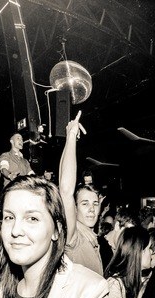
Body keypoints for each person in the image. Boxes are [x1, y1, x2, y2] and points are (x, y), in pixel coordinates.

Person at [58, 111, 103, 275]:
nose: (92, 209)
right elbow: (65, 190)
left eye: (95, 203)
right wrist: (71, 136)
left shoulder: (92, 238)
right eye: (85, 204)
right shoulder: (75, 237)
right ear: (74, 208)